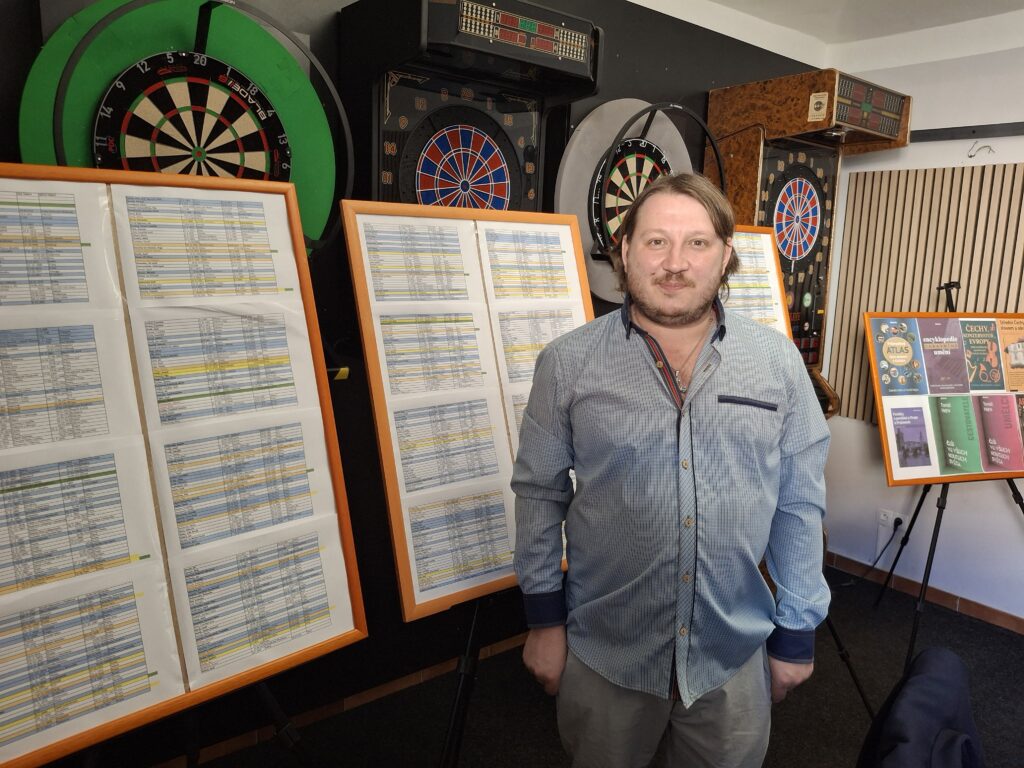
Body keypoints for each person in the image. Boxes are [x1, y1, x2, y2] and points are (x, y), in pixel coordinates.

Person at [511, 172, 831, 768]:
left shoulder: (777, 363)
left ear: (725, 255)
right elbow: (538, 494)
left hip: (731, 652)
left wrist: (797, 629)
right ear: (624, 250)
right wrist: (543, 622)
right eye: (656, 241)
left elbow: (798, 501)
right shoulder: (568, 363)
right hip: (606, 651)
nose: (676, 263)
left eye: (697, 243)